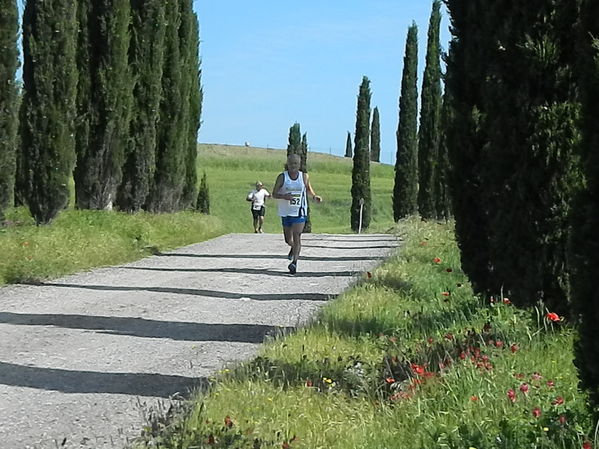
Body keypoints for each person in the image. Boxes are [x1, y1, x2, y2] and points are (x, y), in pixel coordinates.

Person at [272, 154, 322, 274]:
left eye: (295, 164)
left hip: (300, 211)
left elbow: (308, 190)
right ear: (287, 164)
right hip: (286, 212)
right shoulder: (282, 177)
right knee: (288, 239)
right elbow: (274, 193)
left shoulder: (304, 177)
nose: (293, 166)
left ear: (299, 165)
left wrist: (315, 197)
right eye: (291, 163)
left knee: (297, 235)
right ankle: (293, 247)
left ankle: (294, 263)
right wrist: (284, 196)